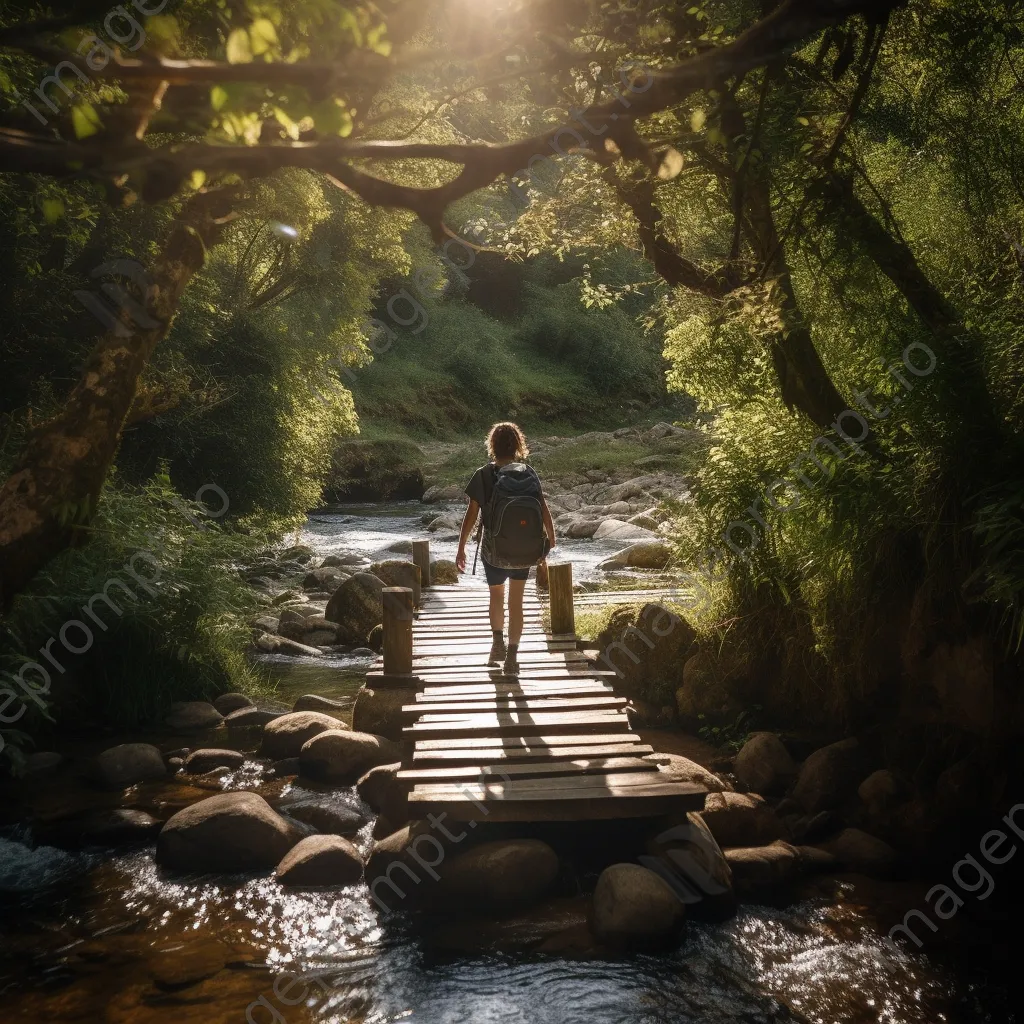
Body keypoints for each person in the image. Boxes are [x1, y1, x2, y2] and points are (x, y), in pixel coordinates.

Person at [456, 422, 556, 672]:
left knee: (497, 596)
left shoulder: (483, 474)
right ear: (517, 445)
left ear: (493, 446)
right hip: (524, 551)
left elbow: (471, 515)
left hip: (494, 552)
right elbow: (542, 508)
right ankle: (512, 657)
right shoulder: (528, 473)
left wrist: (461, 547)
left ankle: (497, 643)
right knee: (517, 602)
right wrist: (550, 539)